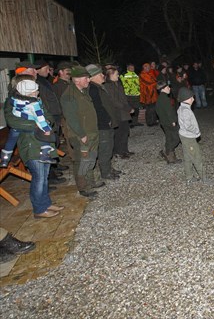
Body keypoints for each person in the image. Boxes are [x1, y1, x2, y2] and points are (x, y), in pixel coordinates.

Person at [4, 77, 64, 218]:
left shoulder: (36, 101)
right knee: (39, 177)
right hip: (31, 144)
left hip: (44, 143)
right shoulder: (13, 103)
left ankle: (46, 203)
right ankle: (39, 209)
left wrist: (47, 122)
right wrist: (39, 125)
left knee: (44, 176)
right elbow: (14, 122)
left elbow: (46, 115)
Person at [60, 66, 100, 198]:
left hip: (91, 132)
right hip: (81, 135)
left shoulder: (82, 91)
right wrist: (81, 134)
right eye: (86, 78)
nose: (89, 80)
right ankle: (83, 187)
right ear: (77, 80)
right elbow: (71, 118)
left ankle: (91, 182)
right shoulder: (69, 96)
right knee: (82, 161)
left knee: (91, 158)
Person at [1, 78, 58, 167]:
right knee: (46, 135)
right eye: (35, 91)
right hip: (30, 141)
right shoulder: (34, 104)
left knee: (10, 141)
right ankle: (45, 155)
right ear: (28, 93)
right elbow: (40, 117)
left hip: (18, 131)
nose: (38, 93)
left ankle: (5, 159)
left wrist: (48, 120)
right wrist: (45, 127)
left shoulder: (15, 100)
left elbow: (46, 114)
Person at [177, 88, 205, 184]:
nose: (193, 99)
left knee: (188, 157)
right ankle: (204, 178)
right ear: (186, 98)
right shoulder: (186, 110)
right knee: (196, 157)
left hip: (183, 136)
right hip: (189, 137)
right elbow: (188, 125)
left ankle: (189, 177)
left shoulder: (181, 108)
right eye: (191, 97)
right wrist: (196, 131)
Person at [105, 67, 134, 159]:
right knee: (119, 133)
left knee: (125, 131)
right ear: (111, 75)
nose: (118, 75)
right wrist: (126, 108)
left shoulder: (118, 84)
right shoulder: (108, 86)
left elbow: (123, 98)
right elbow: (113, 101)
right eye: (116, 74)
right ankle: (118, 152)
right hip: (117, 113)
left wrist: (128, 107)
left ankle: (125, 150)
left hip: (124, 112)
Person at [156, 81, 182, 164]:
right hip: (169, 122)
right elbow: (169, 111)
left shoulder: (160, 98)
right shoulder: (165, 99)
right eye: (167, 87)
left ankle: (170, 158)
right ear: (162, 89)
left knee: (169, 137)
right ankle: (167, 152)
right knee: (176, 138)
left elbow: (158, 110)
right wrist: (173, 121)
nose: (169, 89)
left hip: (164, 122)